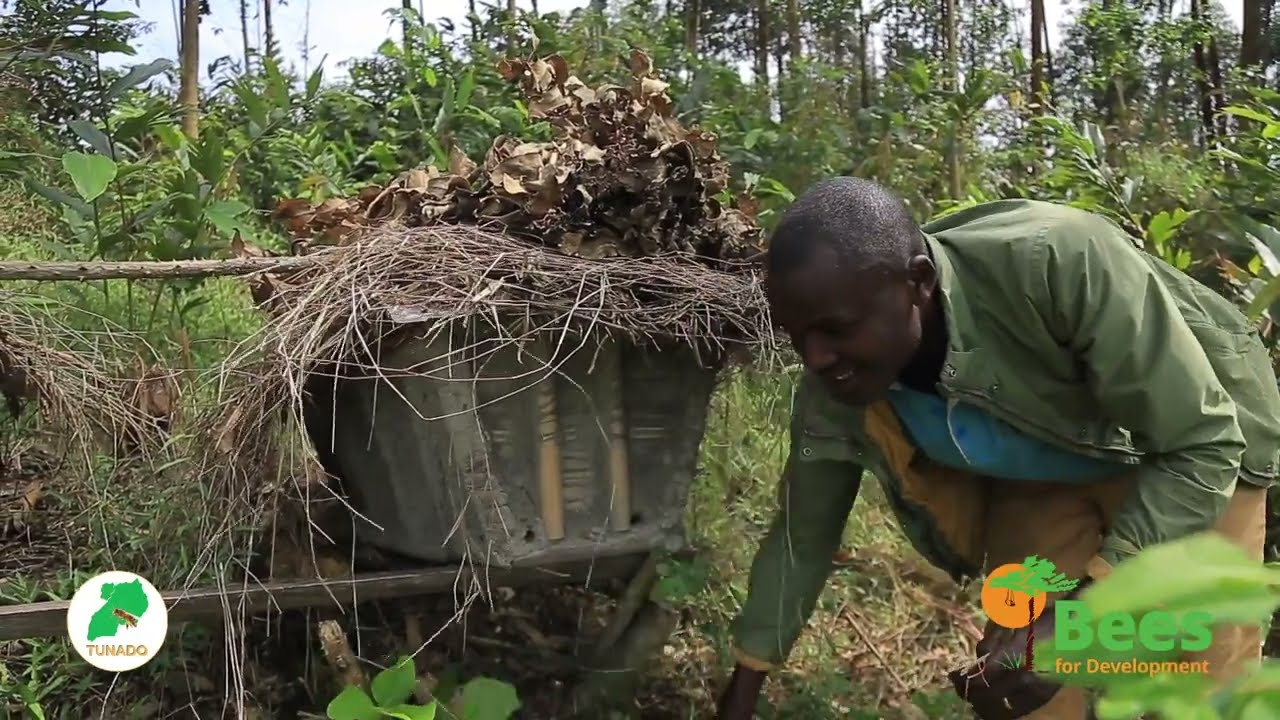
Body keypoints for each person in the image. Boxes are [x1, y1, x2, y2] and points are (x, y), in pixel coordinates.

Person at [715, 177, 1280, 720]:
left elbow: (1202, 442)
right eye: (797, 334)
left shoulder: (1057, 261)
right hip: (1044, 470)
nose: (815, 358)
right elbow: (801, 541)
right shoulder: (838, 389)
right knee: (1020, 675)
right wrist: (740, 697)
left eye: (836, 329)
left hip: (1192, 448)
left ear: (918, 284)